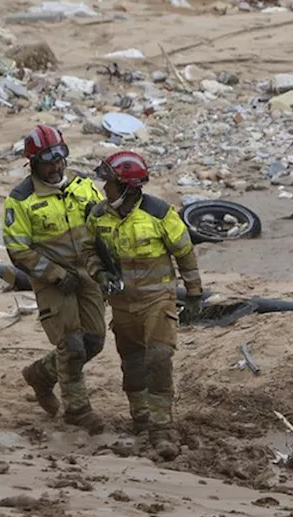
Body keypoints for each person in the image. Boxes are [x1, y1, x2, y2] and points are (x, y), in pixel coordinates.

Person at [87, 150, 203, 459]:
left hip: (157, 301)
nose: (103, 189)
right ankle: (140, 419)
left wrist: (194, 293)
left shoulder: (160, 214)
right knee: (132, 362)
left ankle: (161, 428)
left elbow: (185, 253)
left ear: (126, 186)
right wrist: (99, 274)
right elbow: (90, 252)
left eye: (108, 183)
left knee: (159, 358)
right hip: (122, 304)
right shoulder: (98, 216)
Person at [3, 124, 108, 435]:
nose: (56, 166)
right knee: (72, 345)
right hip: (52, 279)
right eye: (48, 162)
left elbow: (103, 226)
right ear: (33, 163)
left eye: (60, 158)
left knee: (94, 341)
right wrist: (54, 274)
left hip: (88, 273)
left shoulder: (83, 186)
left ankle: (42, 374)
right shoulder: (21, 200)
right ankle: (78, 410)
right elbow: (17, 248)